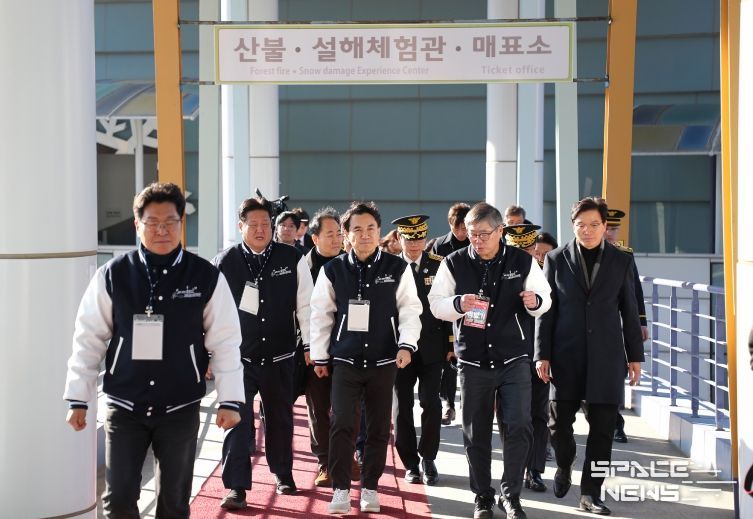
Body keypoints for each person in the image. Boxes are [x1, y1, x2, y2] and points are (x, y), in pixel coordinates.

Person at [64, 182, 244, 519]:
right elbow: (88, 337)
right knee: (118, 500)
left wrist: (230, 400)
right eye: (152, 222)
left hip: (180, 405)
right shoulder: (113, 275)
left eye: (170, 222)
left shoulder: (205, 276)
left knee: (173, 504)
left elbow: (225, 341)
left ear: (181, 223)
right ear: (137, 225)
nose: (162, 230)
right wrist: (78, 397)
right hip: (124, 405)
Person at [429, 202, 552, 519]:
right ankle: (482, 496)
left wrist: (534, 301)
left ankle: (511, 495)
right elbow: (436, 304)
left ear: (500, 231)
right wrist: (458, 304)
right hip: (473, 362)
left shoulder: (521, 261)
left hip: (513, 359)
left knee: (519, 426)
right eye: (473, 234)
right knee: (476, 433)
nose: (478, 240)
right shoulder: (454, 262)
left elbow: (545, 298)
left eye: (484, 234)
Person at [310, 201, 422, 514]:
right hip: (345, 360)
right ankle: (341, 489)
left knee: (377, 428)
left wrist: (406, 345)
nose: (365, 234)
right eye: (357, 229)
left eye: (371, 228)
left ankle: (370, 487)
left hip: (384, 360)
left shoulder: (397, 268)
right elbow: (321, 314)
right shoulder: (333, 270)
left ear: (379, 231)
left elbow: (410, 309)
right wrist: (320, 357)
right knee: (341, 424)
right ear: (346, 234)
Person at [534, 197, 644, 516]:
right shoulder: (555, 259)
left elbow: (630, 310)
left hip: (607, 358)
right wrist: (542, 354)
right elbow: (546, 312)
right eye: (581, 225)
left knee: (603, 431)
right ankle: (564, 463)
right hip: (564, 356)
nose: (588, 230)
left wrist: (635, 356)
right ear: (573, 226)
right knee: (558, 425)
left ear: (605, 226)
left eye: (594, 224)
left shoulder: (621, 260)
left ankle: (590, 494)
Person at [212, 196, 314, 510]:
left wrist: (310, 345)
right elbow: (210, 312)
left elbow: (306, 304)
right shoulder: (224, 262)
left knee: (280, 419)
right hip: (237, 359)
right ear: (240, 226)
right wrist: (209, 353)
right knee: (237, 422)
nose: (260, 229)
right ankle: (236, 487)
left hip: (280, 357)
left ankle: (283, 474)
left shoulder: (291, 257)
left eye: (265, 224)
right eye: (253, 224)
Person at [302, 207, 361, 487]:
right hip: (314, 350)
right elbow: (300, 311)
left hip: (348, 347)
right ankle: (325, 462)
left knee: (350, 407)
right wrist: (309, 348)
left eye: (339, 233)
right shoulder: (303, 268)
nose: (337, 239)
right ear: (315, 238)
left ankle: (347, 457)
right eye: (330, 234)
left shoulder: (352, 263)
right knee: (319, 407)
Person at [391, 214, 448, 486]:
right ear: (399, 238)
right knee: (402, 406)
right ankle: (410, 463)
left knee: (431, 403)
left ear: (425, 238)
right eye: (409, 239)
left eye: (419, 239)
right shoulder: (390, 266)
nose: (414, 245)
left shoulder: (439, 265)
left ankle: (429, 458)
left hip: (432, 347)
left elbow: (448, 305)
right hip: (400, 349)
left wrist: (451, 344)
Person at [504, 223, 550, 494]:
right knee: (512, 418)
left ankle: (534, 470)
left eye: (528, 249)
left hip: (539, 354)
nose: (523, 255)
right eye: (517, 249)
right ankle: (514, 469)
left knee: (538, 414)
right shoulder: (499, 273)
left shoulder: (547, 273)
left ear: (535, 249)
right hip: (509, 357)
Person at [604, 208, 649, 443]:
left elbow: (635, 291)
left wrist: (641, 321)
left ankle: (616, 424)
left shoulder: (625, 255)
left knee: (615, 374)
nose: (610, 233)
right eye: (607, 228)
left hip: (614, 326)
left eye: (614, 228)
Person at [430, 202, 471, 426]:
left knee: (469, 358)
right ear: (450, 225)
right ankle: (448, 404)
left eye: (465, 228)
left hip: (471, 307)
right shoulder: (439, 246)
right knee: (448, 358)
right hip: (447, 307)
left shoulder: (477, 243)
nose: (462, 232)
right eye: (458, 228)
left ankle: (468, 404)